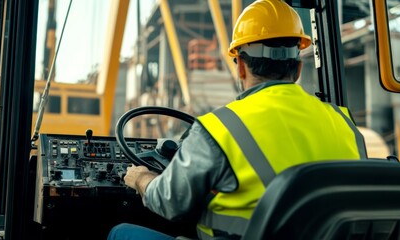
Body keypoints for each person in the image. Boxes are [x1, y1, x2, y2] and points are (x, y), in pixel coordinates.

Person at [107, 0, 367, 239]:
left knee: (121, 233)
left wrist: (141, 178)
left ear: (241, 66)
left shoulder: (218, 129)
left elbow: (169, 200)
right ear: (298, 69)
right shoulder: (344, 123)